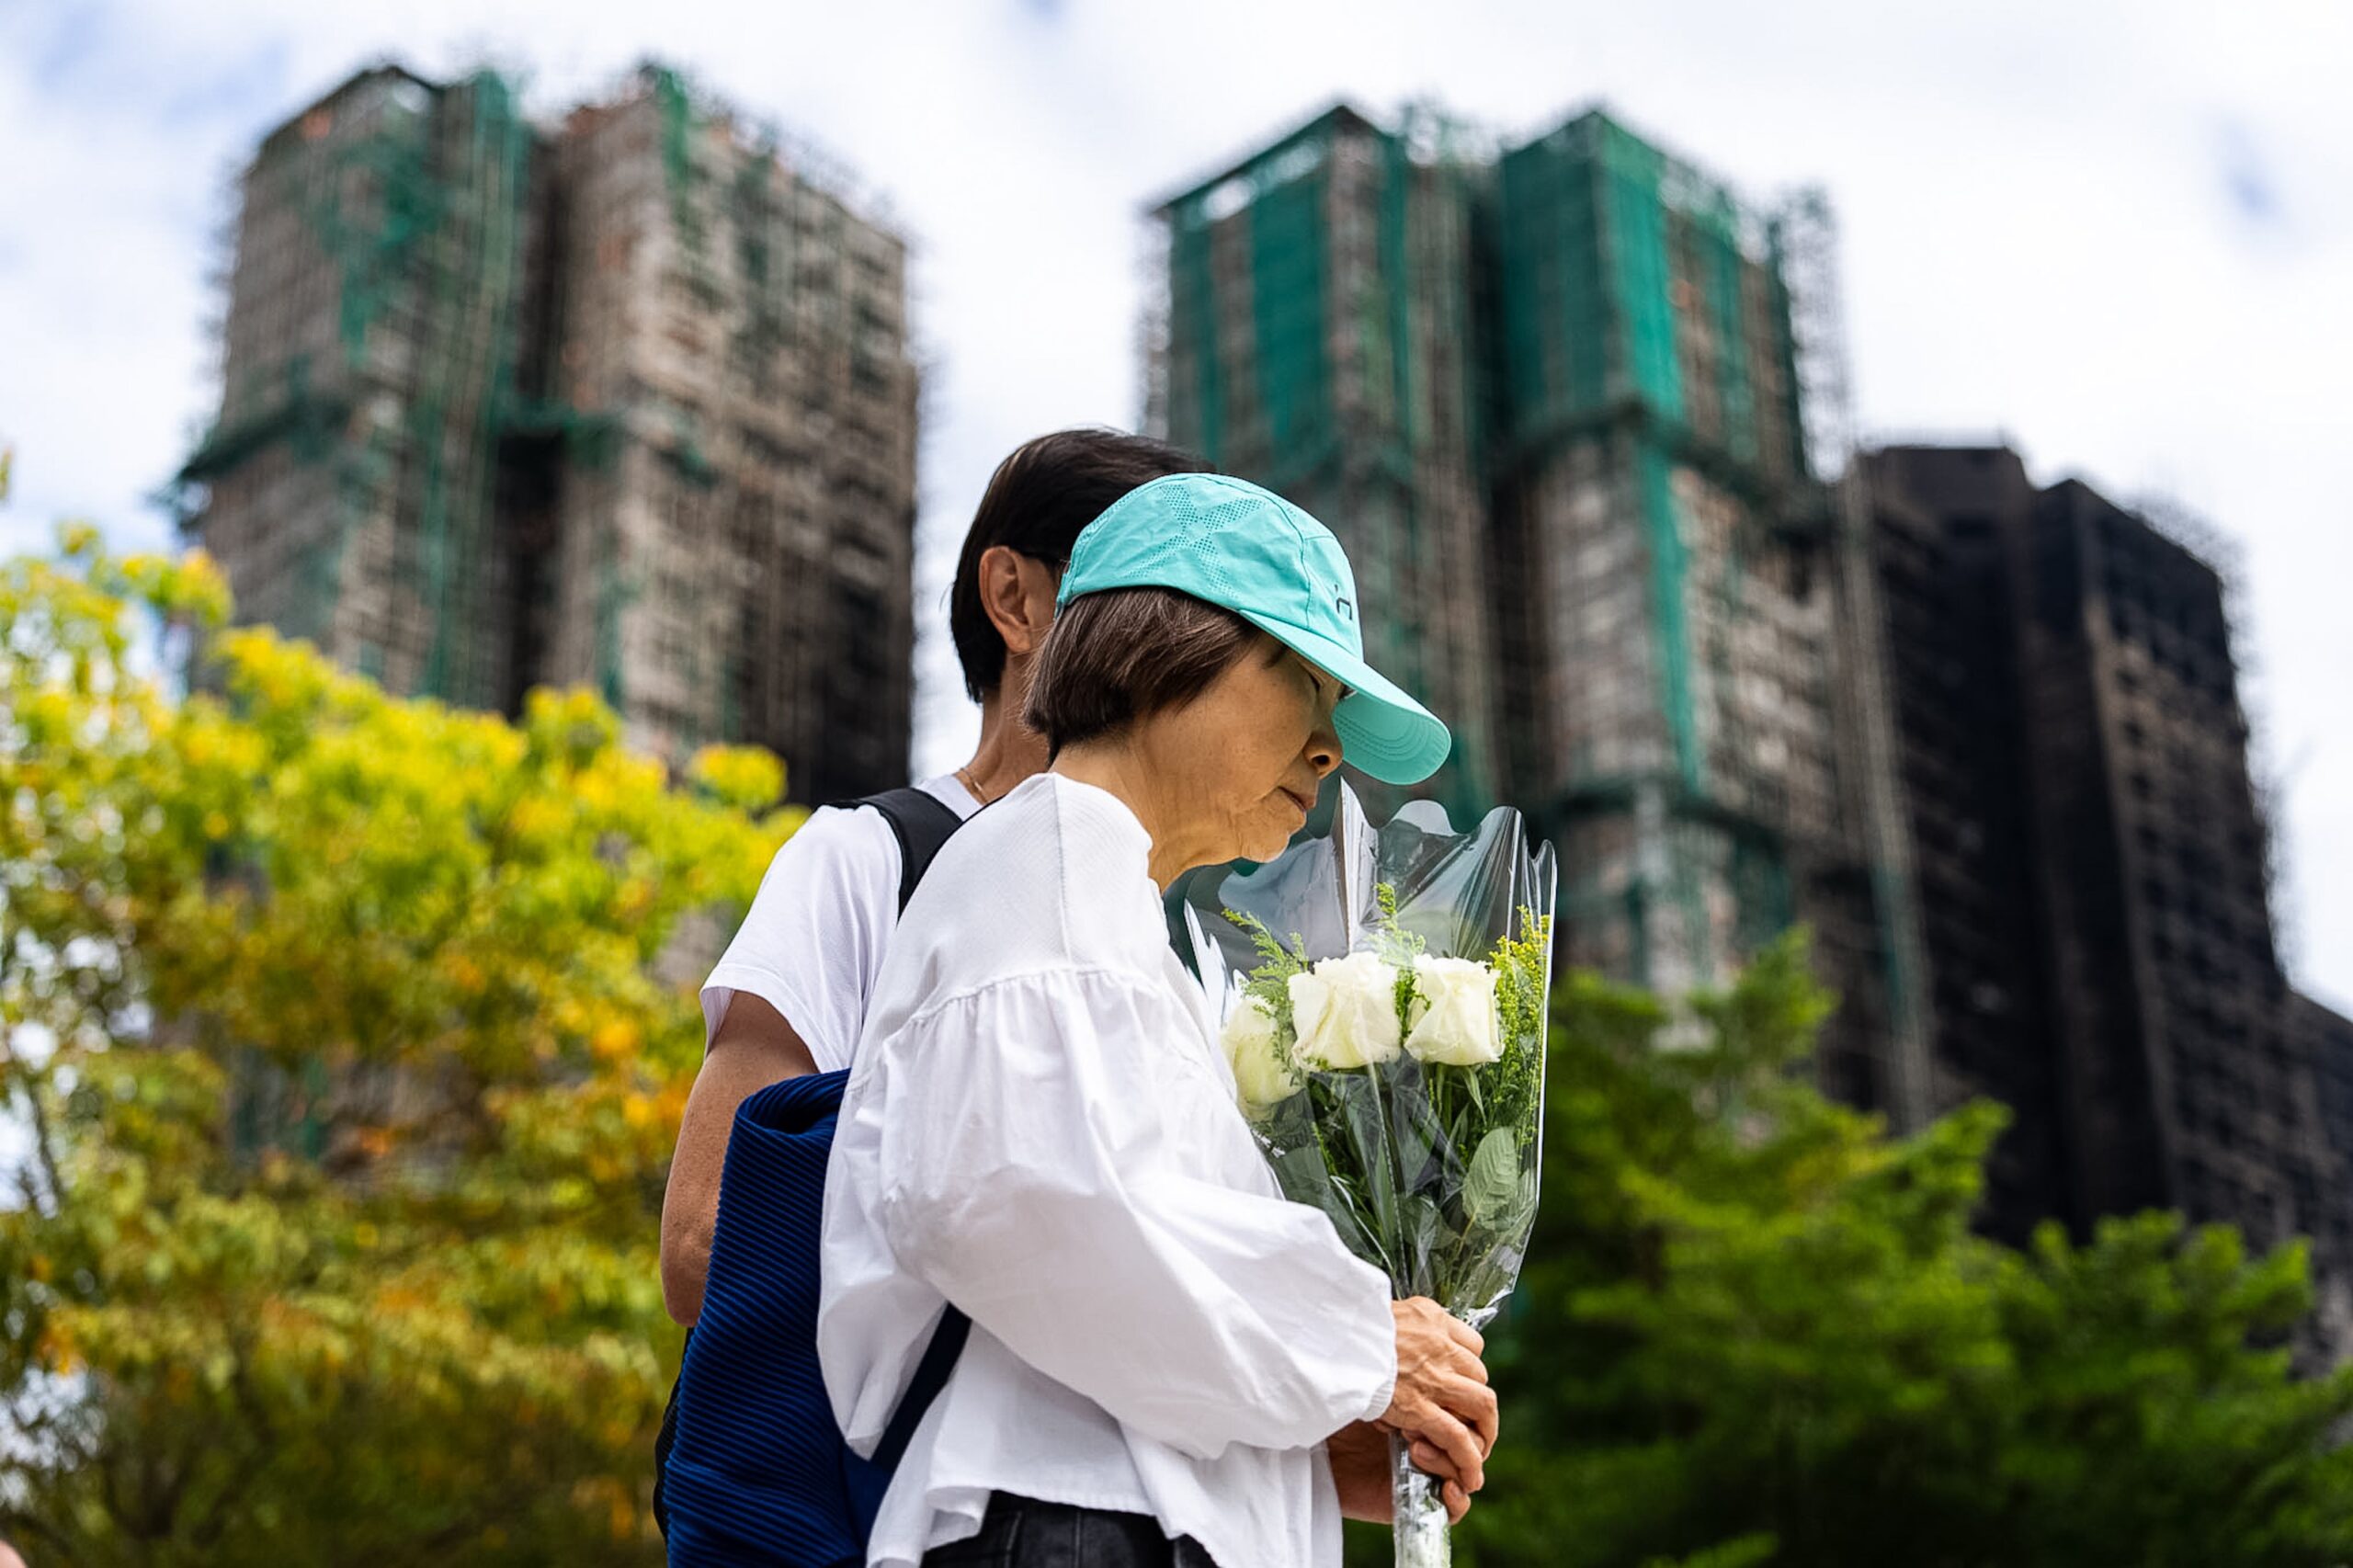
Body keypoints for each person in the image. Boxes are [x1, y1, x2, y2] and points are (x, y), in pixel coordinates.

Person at [820, 472, 1499, 1568]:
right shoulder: (1046, 857)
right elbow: (1024, 1200)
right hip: (1072, 1528)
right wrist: (1359, 1344)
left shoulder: (1106, 903)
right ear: (1154, 647)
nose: (1328, 751)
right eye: (1302, 685)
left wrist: (1305, 1445)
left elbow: (1112, 1296)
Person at [659, 429, 1211, 1326]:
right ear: (1014, 598)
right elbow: (706, 1236)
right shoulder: (870, 857)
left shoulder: (1165, 959)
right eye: (1165, 596)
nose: (1200, 652)